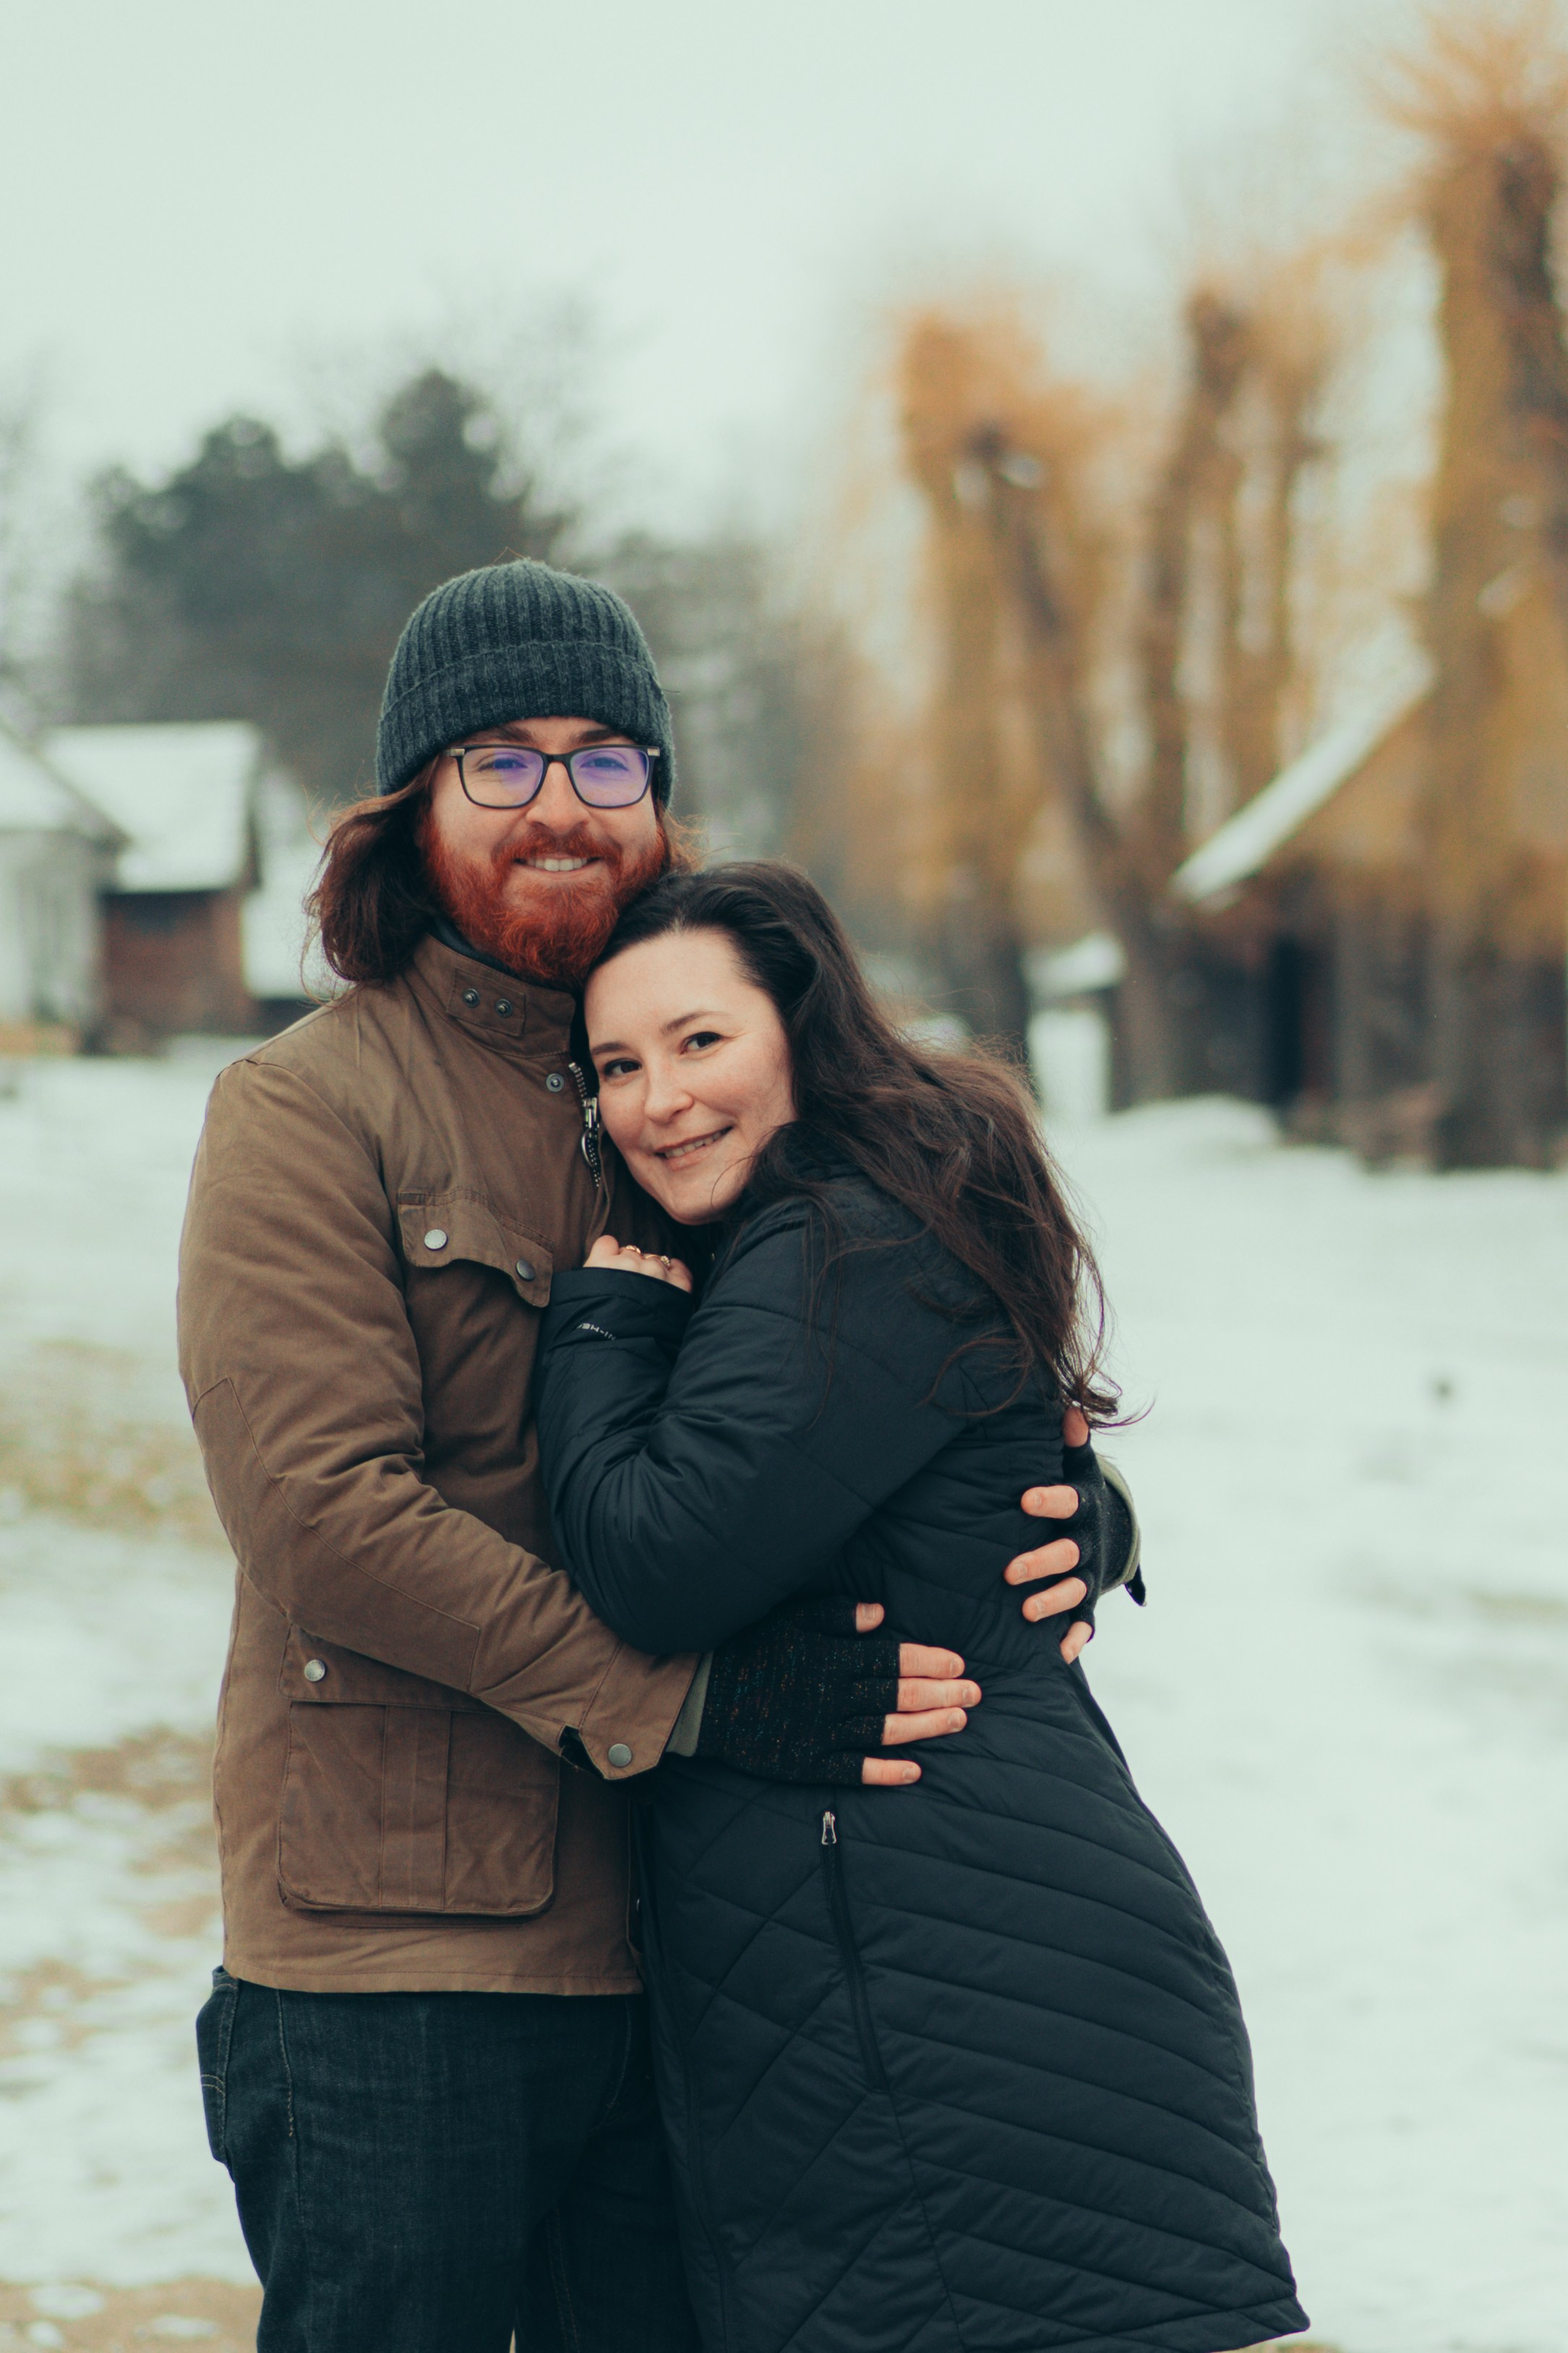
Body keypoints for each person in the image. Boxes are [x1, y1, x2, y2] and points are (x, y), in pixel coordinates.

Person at [177, 559, 1140, 2353]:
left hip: (701, 1934)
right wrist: (699, 1700)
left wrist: (1052, 1503)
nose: (559, 802)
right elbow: (324, 1516)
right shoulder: (307, 1108)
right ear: (410, 809)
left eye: (604, 757)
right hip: (407, 1957)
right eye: (500, 760)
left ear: (657, 794)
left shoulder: (715, 1079)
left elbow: (846, 1379)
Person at [534, 862, 1308, 2353]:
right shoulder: (832, 1224)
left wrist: (605, 1326)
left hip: (946, 1983)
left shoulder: (844, 1238)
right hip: (909, 1956)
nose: (657, 1100)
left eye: (700, 1041)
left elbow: (655, 1562)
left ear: (802, 1029)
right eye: (617, 1066)